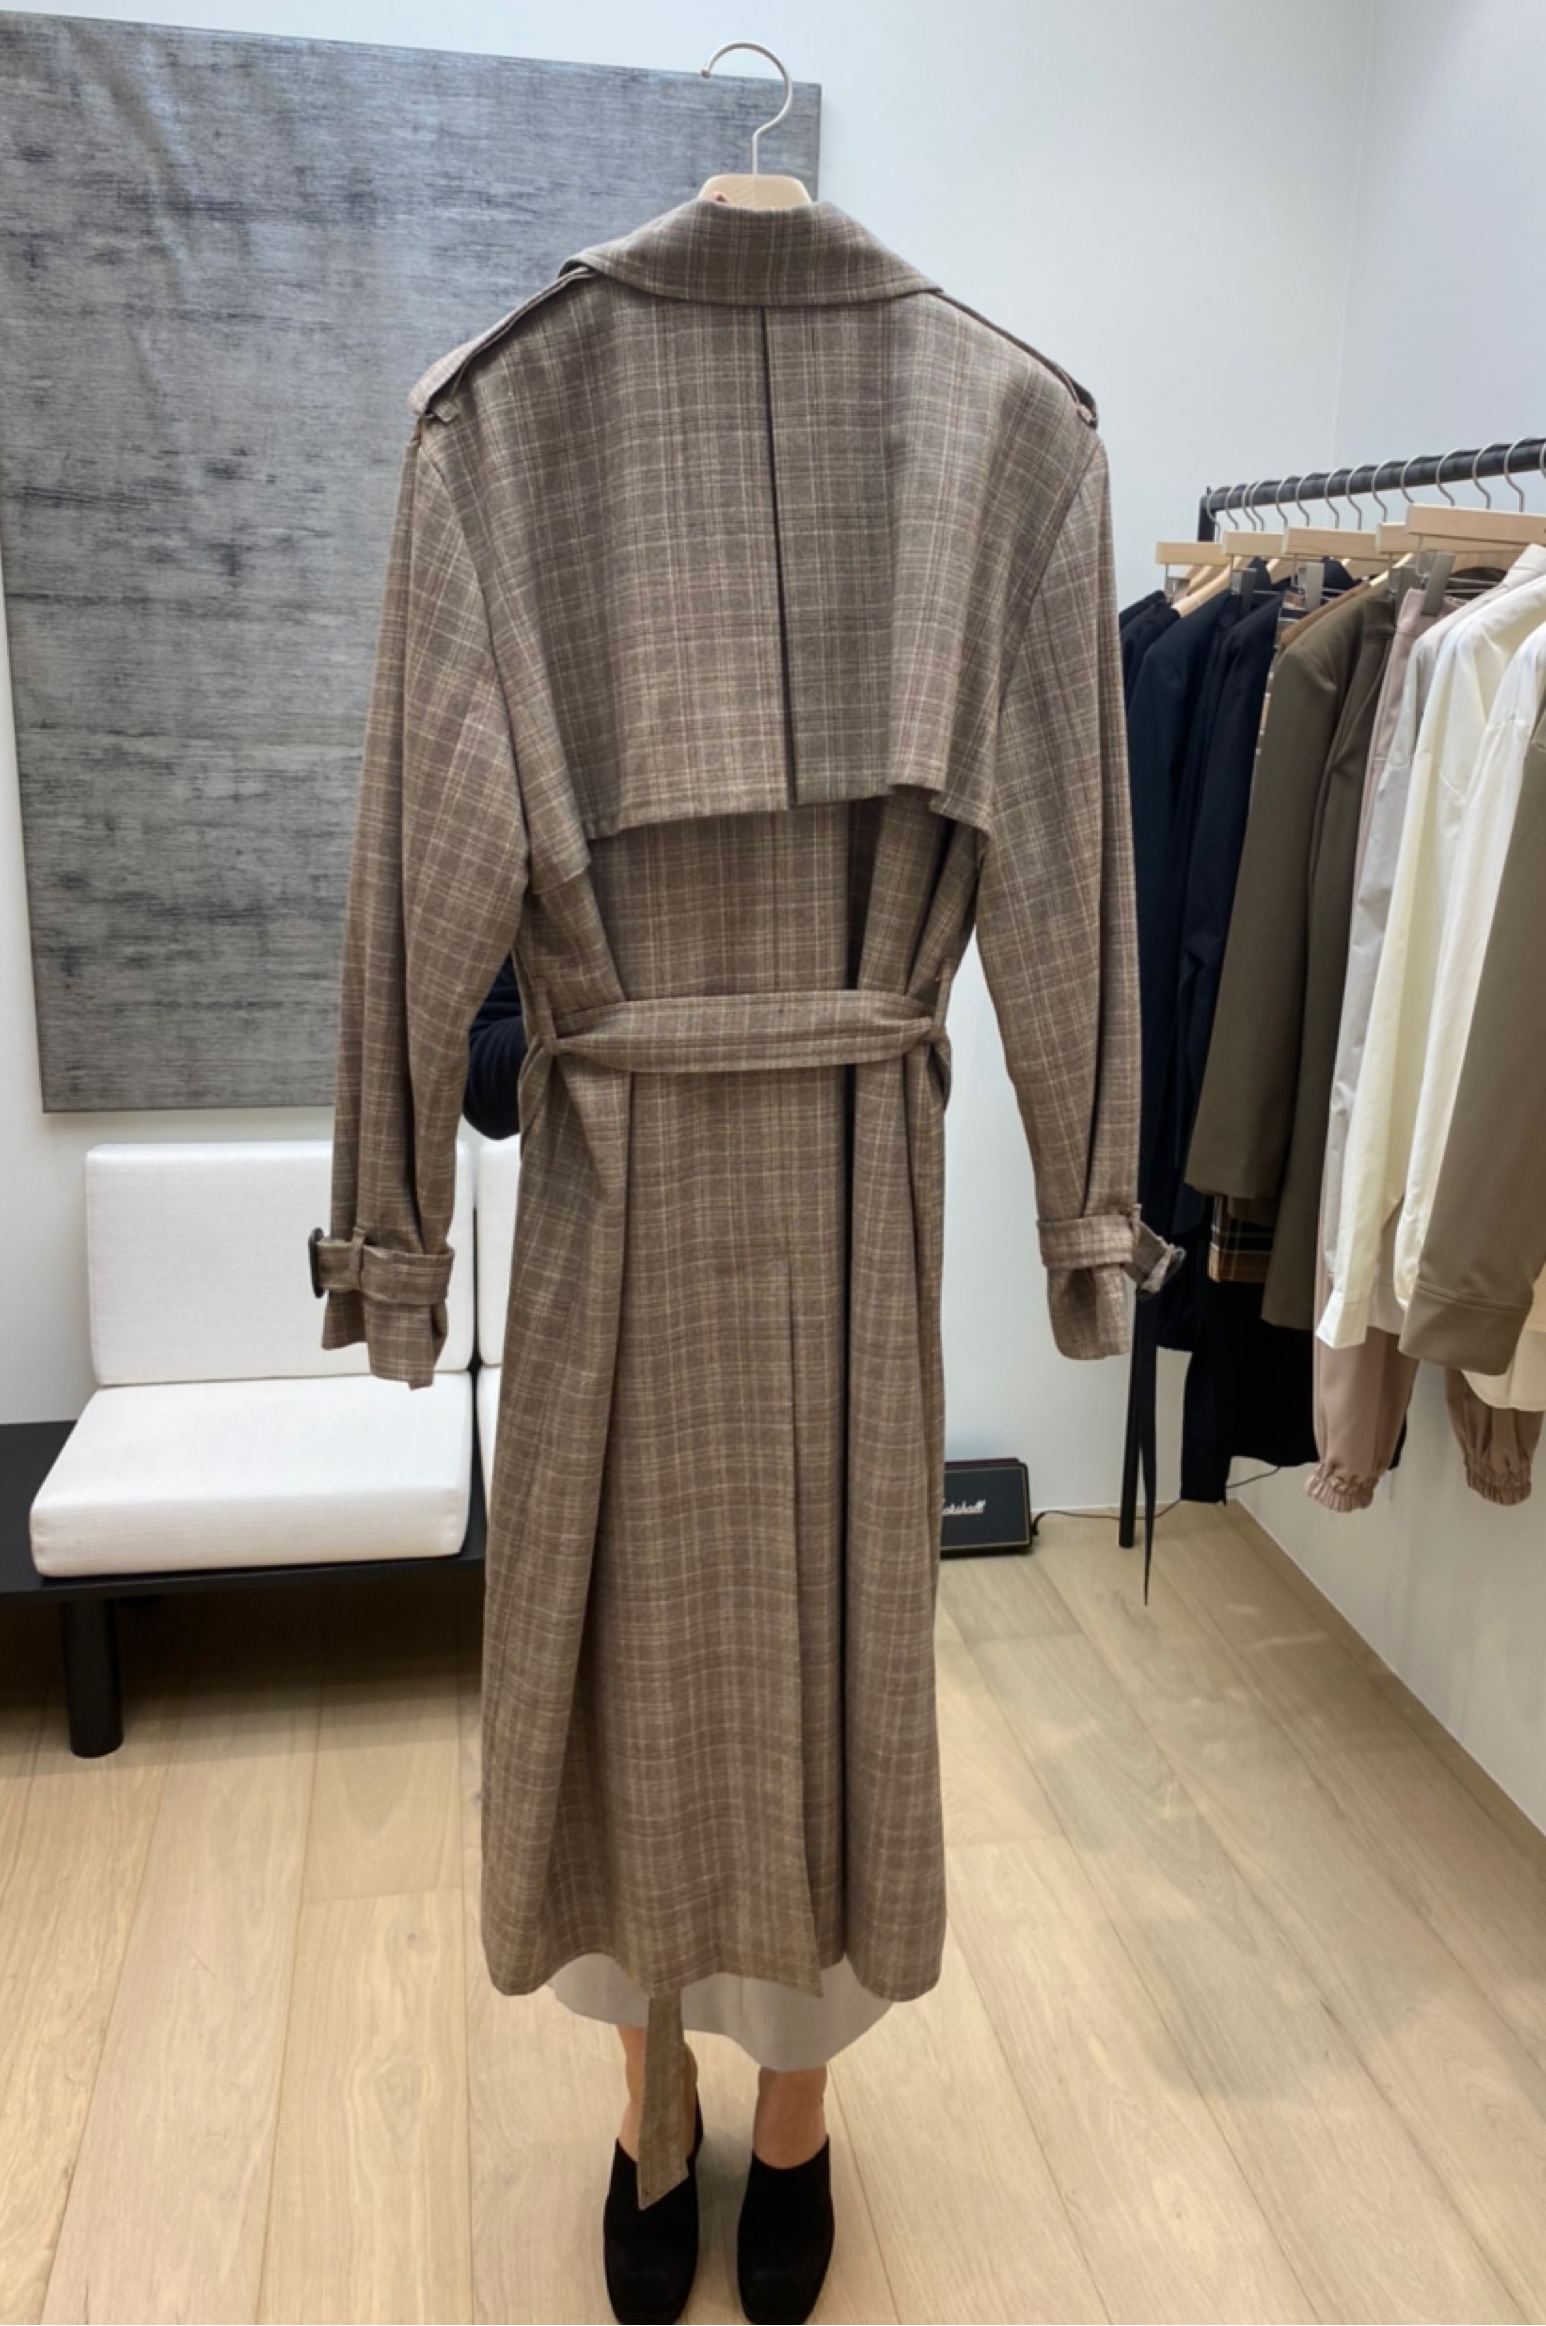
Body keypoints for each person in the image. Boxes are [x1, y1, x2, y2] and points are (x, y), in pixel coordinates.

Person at [465, 955, 859, 2324]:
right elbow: (479, 1071)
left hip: (838, 1213)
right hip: (609, 1246)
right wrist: (584, 1021)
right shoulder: (538, 791)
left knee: (815, 1722)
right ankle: (653, 2108)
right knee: (618, 1723)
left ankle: (796, 2118)